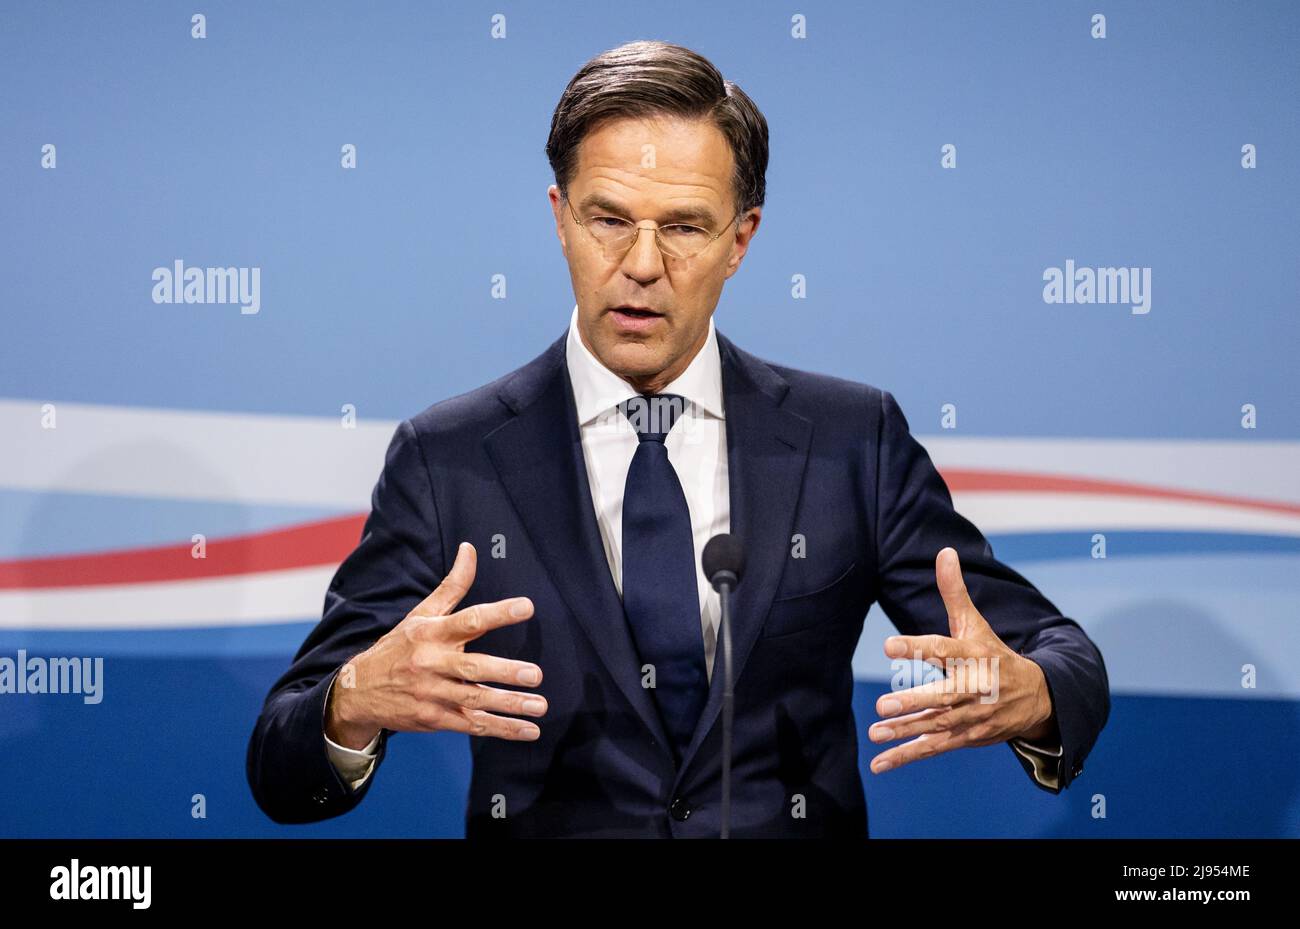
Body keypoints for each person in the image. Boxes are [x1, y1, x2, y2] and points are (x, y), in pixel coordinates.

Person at [246, 39, 1109, 838]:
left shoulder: (851, 441)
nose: (643, 263)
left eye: (686, 226)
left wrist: (1032, 694)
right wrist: (353, 701)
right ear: (559, 217)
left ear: (742, 239)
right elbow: (281, 761)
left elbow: (1062, 656)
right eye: (608, 218)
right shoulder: (450, 459)